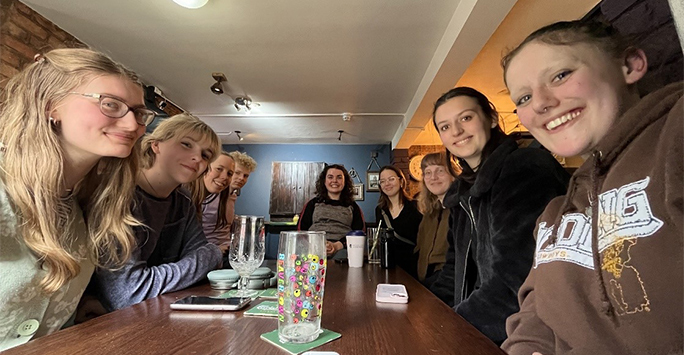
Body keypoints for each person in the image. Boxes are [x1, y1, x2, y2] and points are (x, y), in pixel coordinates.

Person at [501, 20, 682, 355]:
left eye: (560, 75)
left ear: (629, 65)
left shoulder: (675, 133)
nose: (540, 103)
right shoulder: (555, 214)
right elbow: (535, 320)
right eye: (524, 97)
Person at [0, 48, 153, 350]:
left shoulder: (85, 205)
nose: (134, 125)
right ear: (51, 105)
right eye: (110, 104)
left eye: (139, 112)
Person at [428, 87, 569, 345]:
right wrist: (422, 310)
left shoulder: (524, 167)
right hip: (479, 330)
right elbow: (453, 271)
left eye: (466, 118)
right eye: (445, 127)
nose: (456, 131)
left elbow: (516, 279)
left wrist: (448, 329)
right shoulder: (462, 192)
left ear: (491, 118)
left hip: (527, 336)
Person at [92, 113, 223, 311]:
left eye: (205, 155)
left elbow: (202, 256)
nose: (197, 157)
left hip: (156, 315)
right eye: (186, 144)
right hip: (104, 324)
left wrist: (208, 256)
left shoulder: (183, 202)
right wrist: (213, 253)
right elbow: (129, 292)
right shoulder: (120, 196)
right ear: (156, 145)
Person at [298, 164, 365, 257]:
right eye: (330, 177)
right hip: (313, 247)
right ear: (324, 181)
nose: (334, 181)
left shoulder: (353, 206)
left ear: (345, 182)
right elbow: (301, 229)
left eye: (339, 177)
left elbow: (359, 232)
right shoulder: (312, 204)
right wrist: (318, 244)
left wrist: (337, 246)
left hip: (342, 249)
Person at [415, 152, 459, 287]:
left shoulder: (462, 209)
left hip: (448, 284)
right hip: (425, 280)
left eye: (440, 170)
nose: (433, 177)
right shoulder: (430, 212)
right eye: (427, 172)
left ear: (453, 174)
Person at [375, 165, 422, 277]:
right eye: (383, 181)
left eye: (391, 179)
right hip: (388, 265)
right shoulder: (380, 210)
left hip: (412, 267)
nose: (387, 184)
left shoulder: (416, 206)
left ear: (401, 182)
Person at [186, 151, 236, 254]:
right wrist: (215, 251)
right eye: (219, 169)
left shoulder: (224, 198)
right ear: (204, 168)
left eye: (229, 174)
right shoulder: (184, 198)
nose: (224, 177)